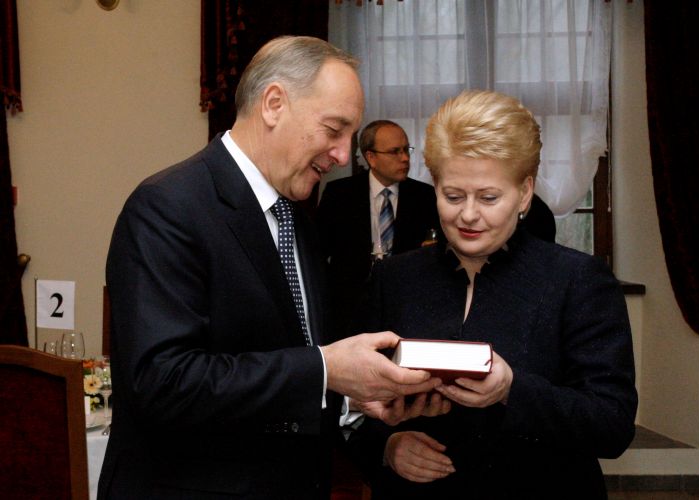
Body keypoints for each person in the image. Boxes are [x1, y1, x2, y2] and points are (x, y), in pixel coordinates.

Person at [99, 36, 443, 499]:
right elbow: (163, 383)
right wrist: (326, 370)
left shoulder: (294, 218)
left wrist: (354, 397)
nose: (344, 155)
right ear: (274, 104)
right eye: (334, 129)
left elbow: (287, 360)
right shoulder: (168, 207)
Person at [348, 90, 638, 499]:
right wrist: (386, 447)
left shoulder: (578, 280)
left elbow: (612, 425)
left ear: (524, 193)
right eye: (452, 196)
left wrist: (511, 390)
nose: (468, 214)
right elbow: (352, 407)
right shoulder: (394, 279)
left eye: (488, 197)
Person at [316, 120, 441, 338]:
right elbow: (317, 252)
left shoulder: (425, 196)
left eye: (406, 150)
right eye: (395, 151)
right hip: (349, 312)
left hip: (406, 307)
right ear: (371, 157)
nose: (405, 158)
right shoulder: (339, 194)